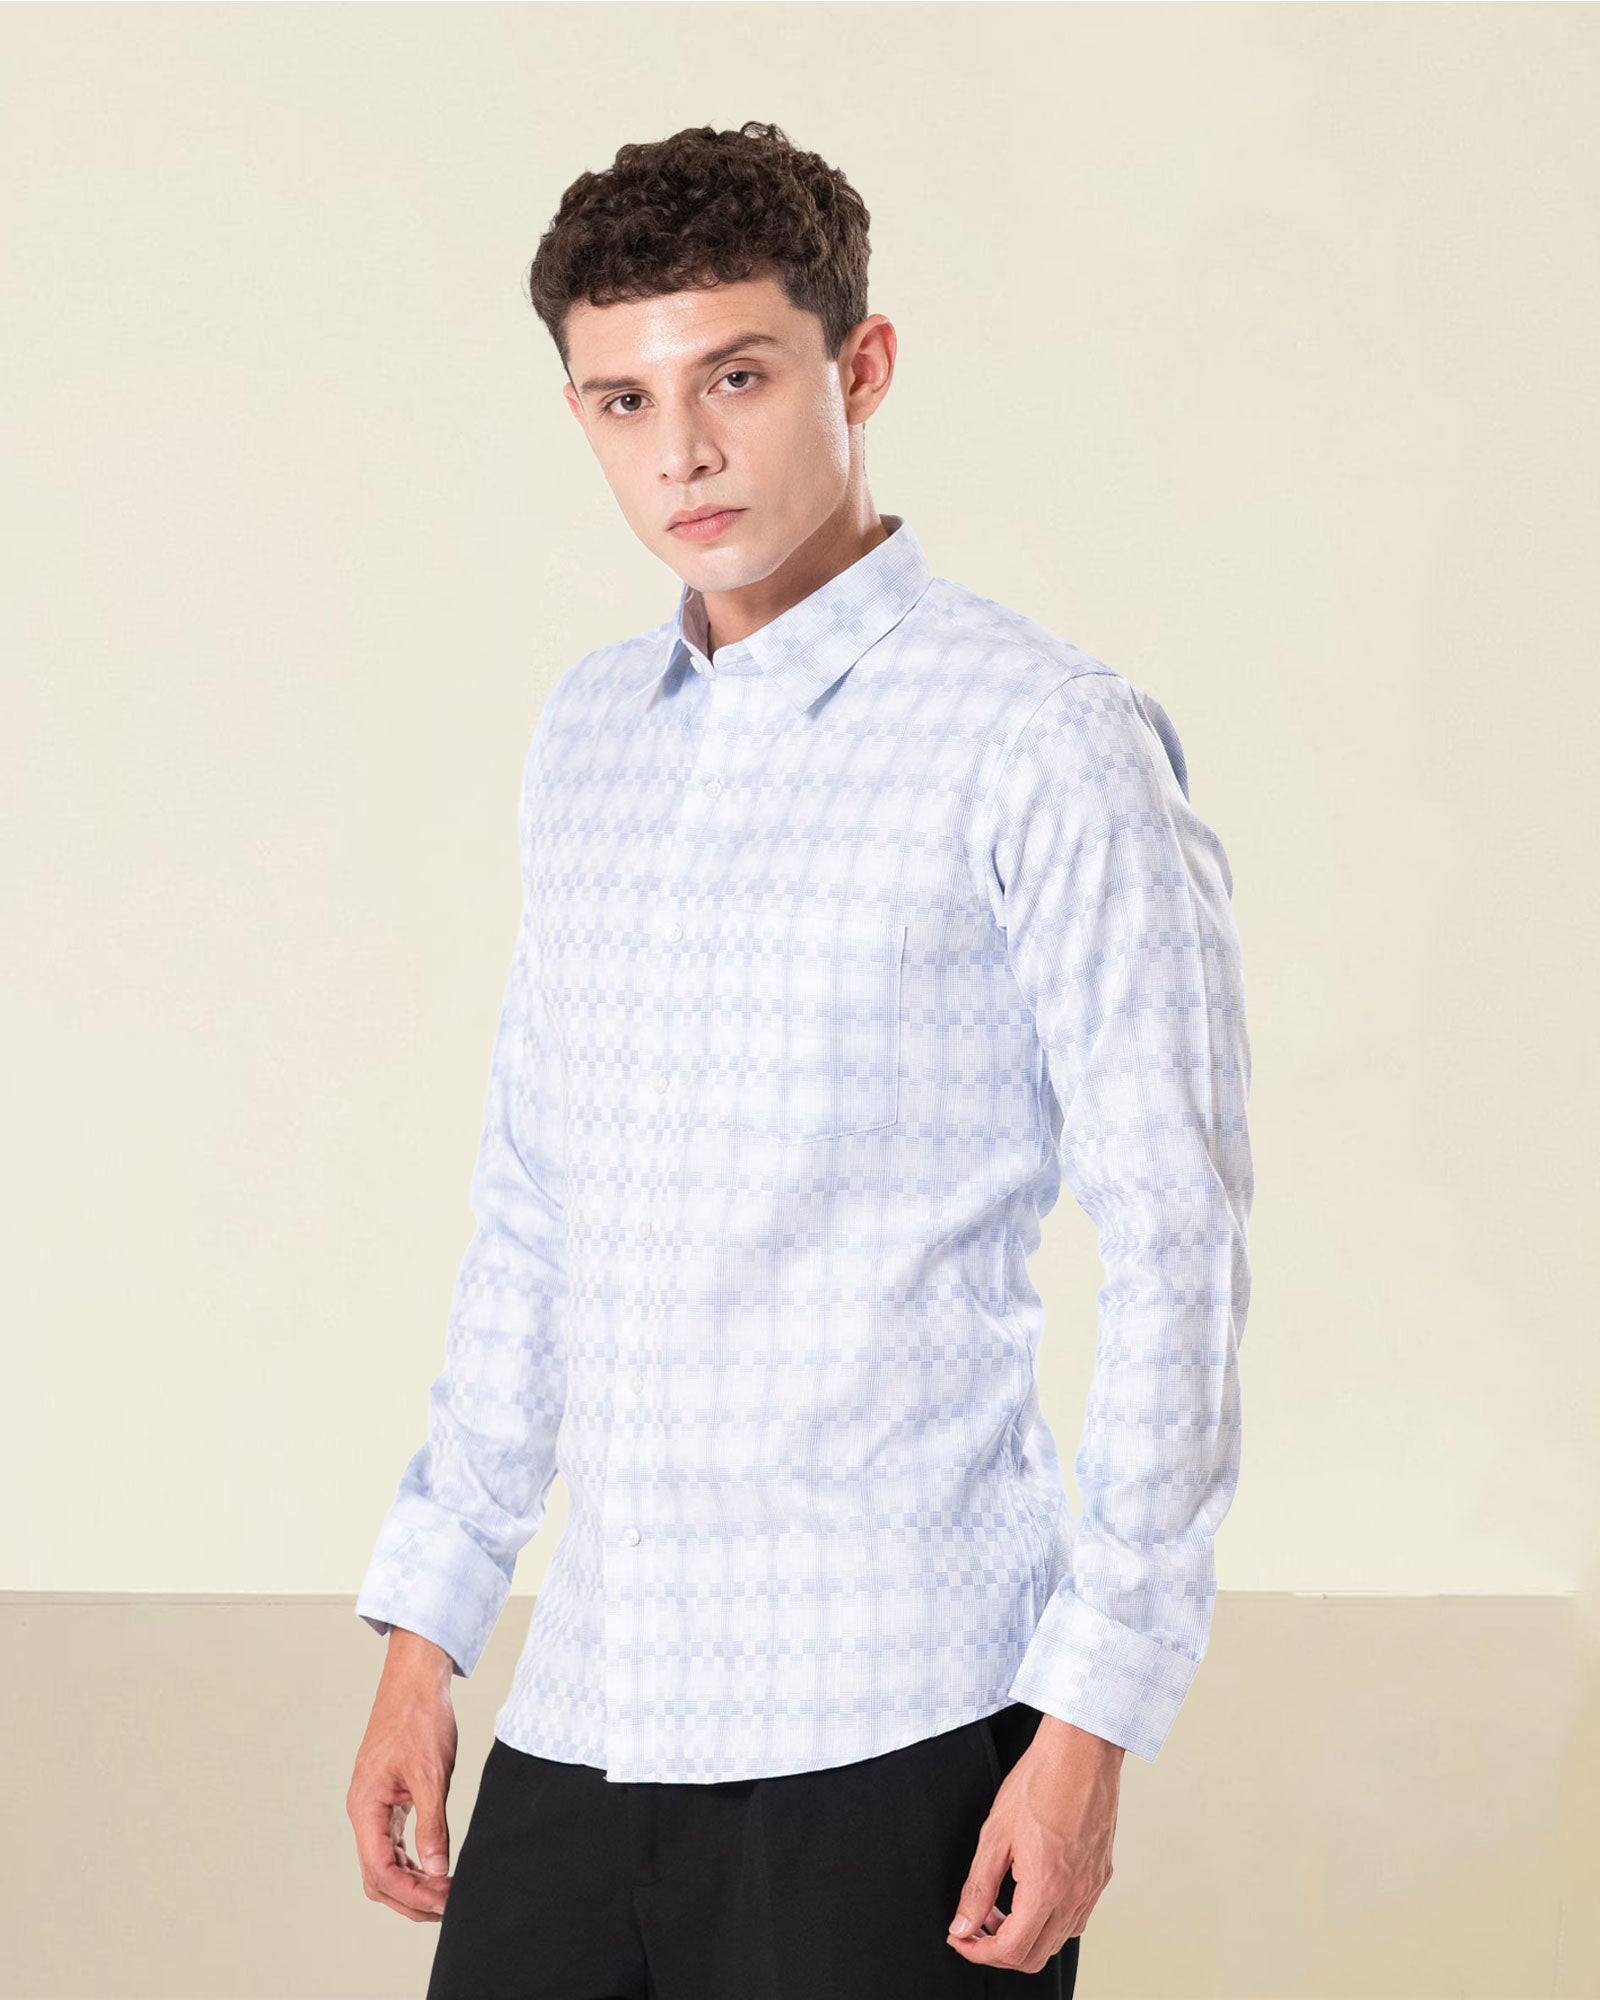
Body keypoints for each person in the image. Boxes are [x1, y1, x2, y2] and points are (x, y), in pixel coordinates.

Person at [345, 120, 1253, 2000]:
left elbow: (1181, 1247)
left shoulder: (1044, 740)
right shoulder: (590, 736)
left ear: (862, 366)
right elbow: (535, 1209)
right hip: (592, 1707)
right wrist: (428, 1632)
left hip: (900, 1724)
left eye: (736, 378)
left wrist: (1091, 1719)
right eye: (623, 401)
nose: (679, 451)